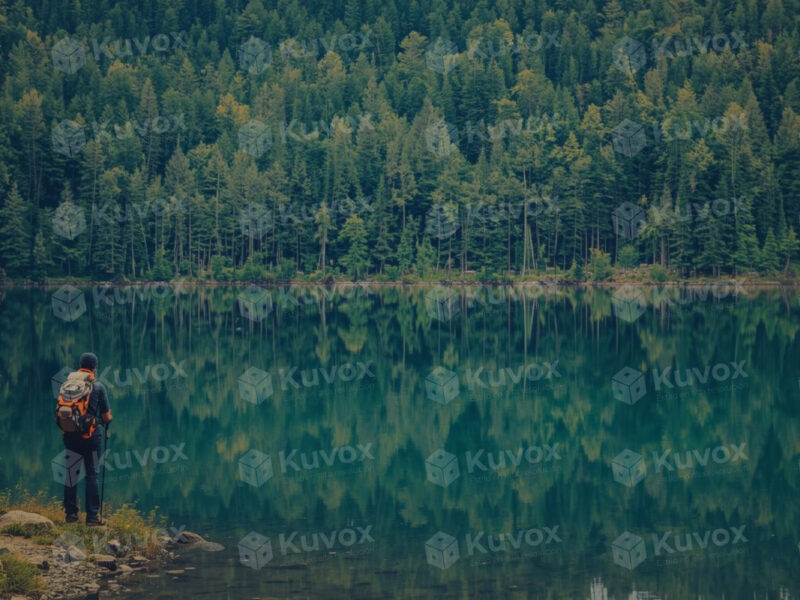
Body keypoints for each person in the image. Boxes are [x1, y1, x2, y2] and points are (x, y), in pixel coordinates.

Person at [61, 352, 113, 526]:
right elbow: (106, 416)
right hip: (90, 437)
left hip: (69, 435)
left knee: (71, 474)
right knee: (92, 474)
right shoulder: (97, 386)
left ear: (80, 366)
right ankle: (92, 517)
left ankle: (70, 515)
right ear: (95, 368)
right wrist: (105, 421)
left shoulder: (68, 384)